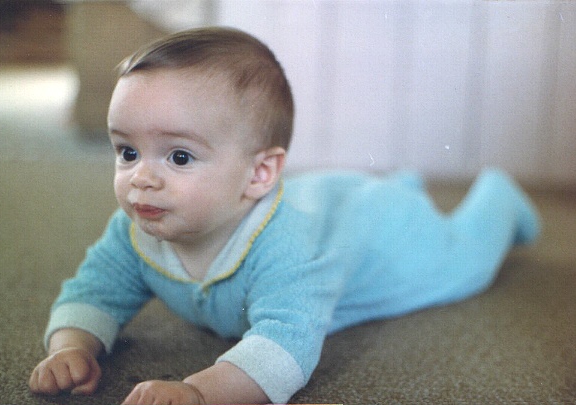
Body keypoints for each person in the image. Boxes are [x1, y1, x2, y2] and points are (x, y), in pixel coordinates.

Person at [28, 27, 541, 405]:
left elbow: (285, 349)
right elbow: (93, 291)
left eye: (179, 156)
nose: (141, 177)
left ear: (258, 174)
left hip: (385, 234)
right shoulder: (136, 229)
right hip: (320, 199)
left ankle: (498, 197)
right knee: (332, 197)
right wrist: (72, 347)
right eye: (127, 151)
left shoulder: (289, 249)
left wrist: (199, 391)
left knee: (466, 264)